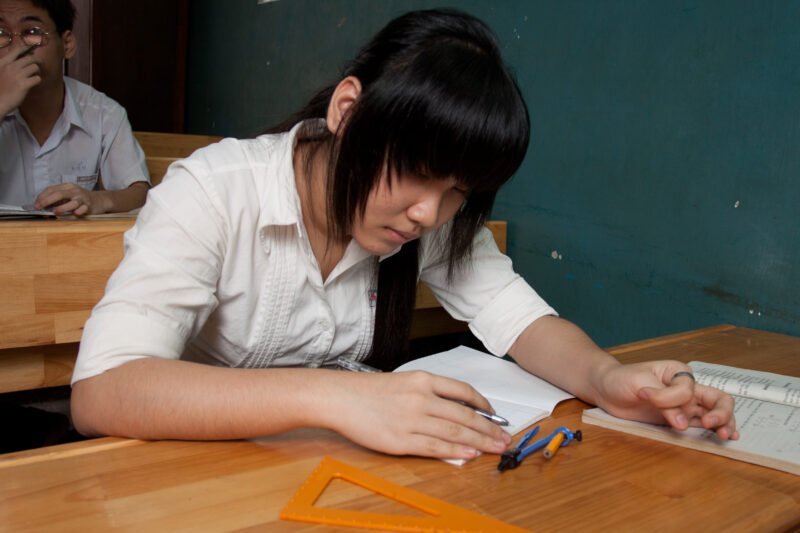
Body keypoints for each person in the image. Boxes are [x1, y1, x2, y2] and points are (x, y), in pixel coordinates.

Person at [70, 8, 737, 461]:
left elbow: (518, 317)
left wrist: (609, 377)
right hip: (182, 477)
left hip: (320, 476)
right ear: (348, 110)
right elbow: (102, 391)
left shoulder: (426, 219)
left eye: (457, 193)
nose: (429, 214)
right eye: (417, 175)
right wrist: (335, 395)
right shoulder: (213, 191)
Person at [0, 0, 149, 215]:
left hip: (72, 245)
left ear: (67, 45)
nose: (16, 47)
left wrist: (97, 200)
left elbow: (138, 193)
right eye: (2, 33)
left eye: (32, 32)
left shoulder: (103, 112)